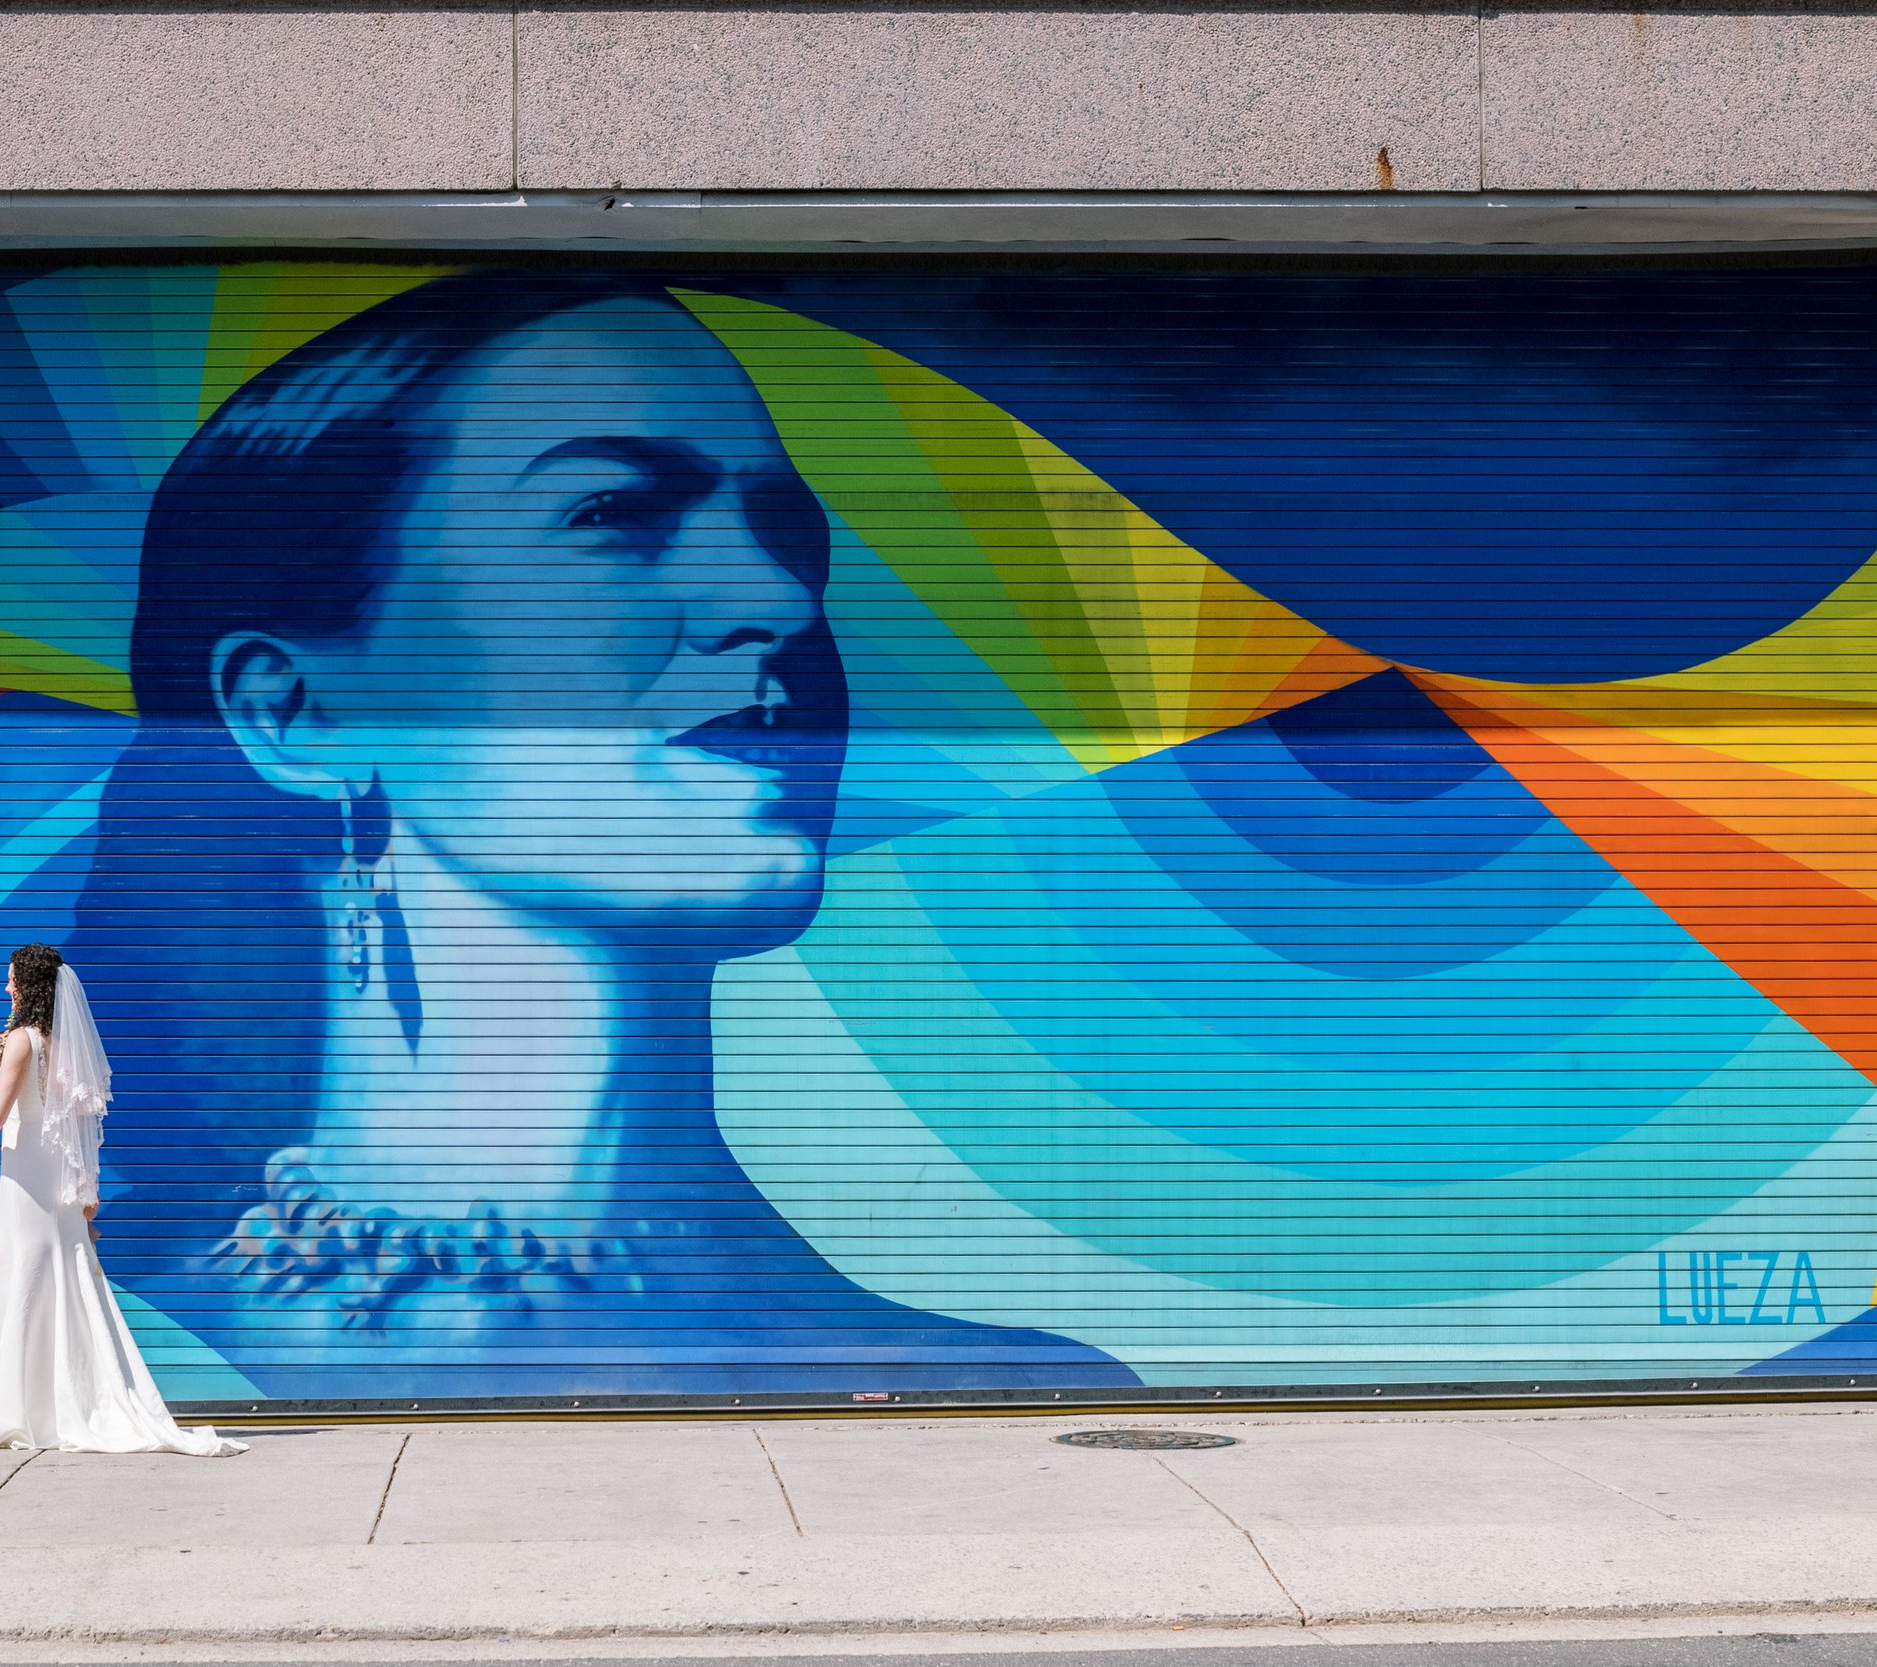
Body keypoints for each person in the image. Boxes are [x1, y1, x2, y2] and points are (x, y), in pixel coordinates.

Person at [84, 271, 1132, 1396]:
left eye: (787, 529)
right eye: (613, 514)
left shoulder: (1002, 1390)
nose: (778, 600)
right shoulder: (72, 1350)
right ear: (298, 713)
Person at [0, 943, 247, 1454]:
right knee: (65, 1276)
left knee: (29, 1277)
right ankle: (74, 1399)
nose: (6, 986)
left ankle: (27, 1410)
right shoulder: (63, 1045)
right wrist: (87, 1196)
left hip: (29, 1181)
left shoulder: (21, 1041)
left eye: (12, 978)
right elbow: (75, 1128)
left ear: (30, 985)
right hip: (56, 1177)